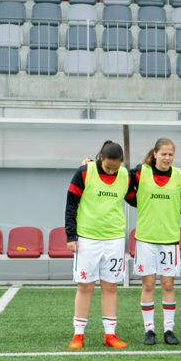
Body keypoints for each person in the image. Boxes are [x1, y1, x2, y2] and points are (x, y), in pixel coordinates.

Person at [64, 140, 131, 349]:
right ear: (100, 158)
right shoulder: (84, 172)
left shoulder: (126, 175)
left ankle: (110, 334)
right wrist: (71, 235)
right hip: (87, 239)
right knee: (85, 286)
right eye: (108, 166)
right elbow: (71, 204)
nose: (112, 171)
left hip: (114, 239)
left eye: (116, 167)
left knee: (110, 286)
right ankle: (78, 334)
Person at [130, 138, 181, 346]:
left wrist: (172, 212)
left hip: (170, 240)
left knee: (168, 284)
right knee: (148, 284)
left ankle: (168, 329)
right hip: (146, 239)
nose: (167, 158)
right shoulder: (140, 172)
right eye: (163, 154)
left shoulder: (180, 176)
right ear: (155, 154)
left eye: (170, 154)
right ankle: (149, 330)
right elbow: (126, 189)